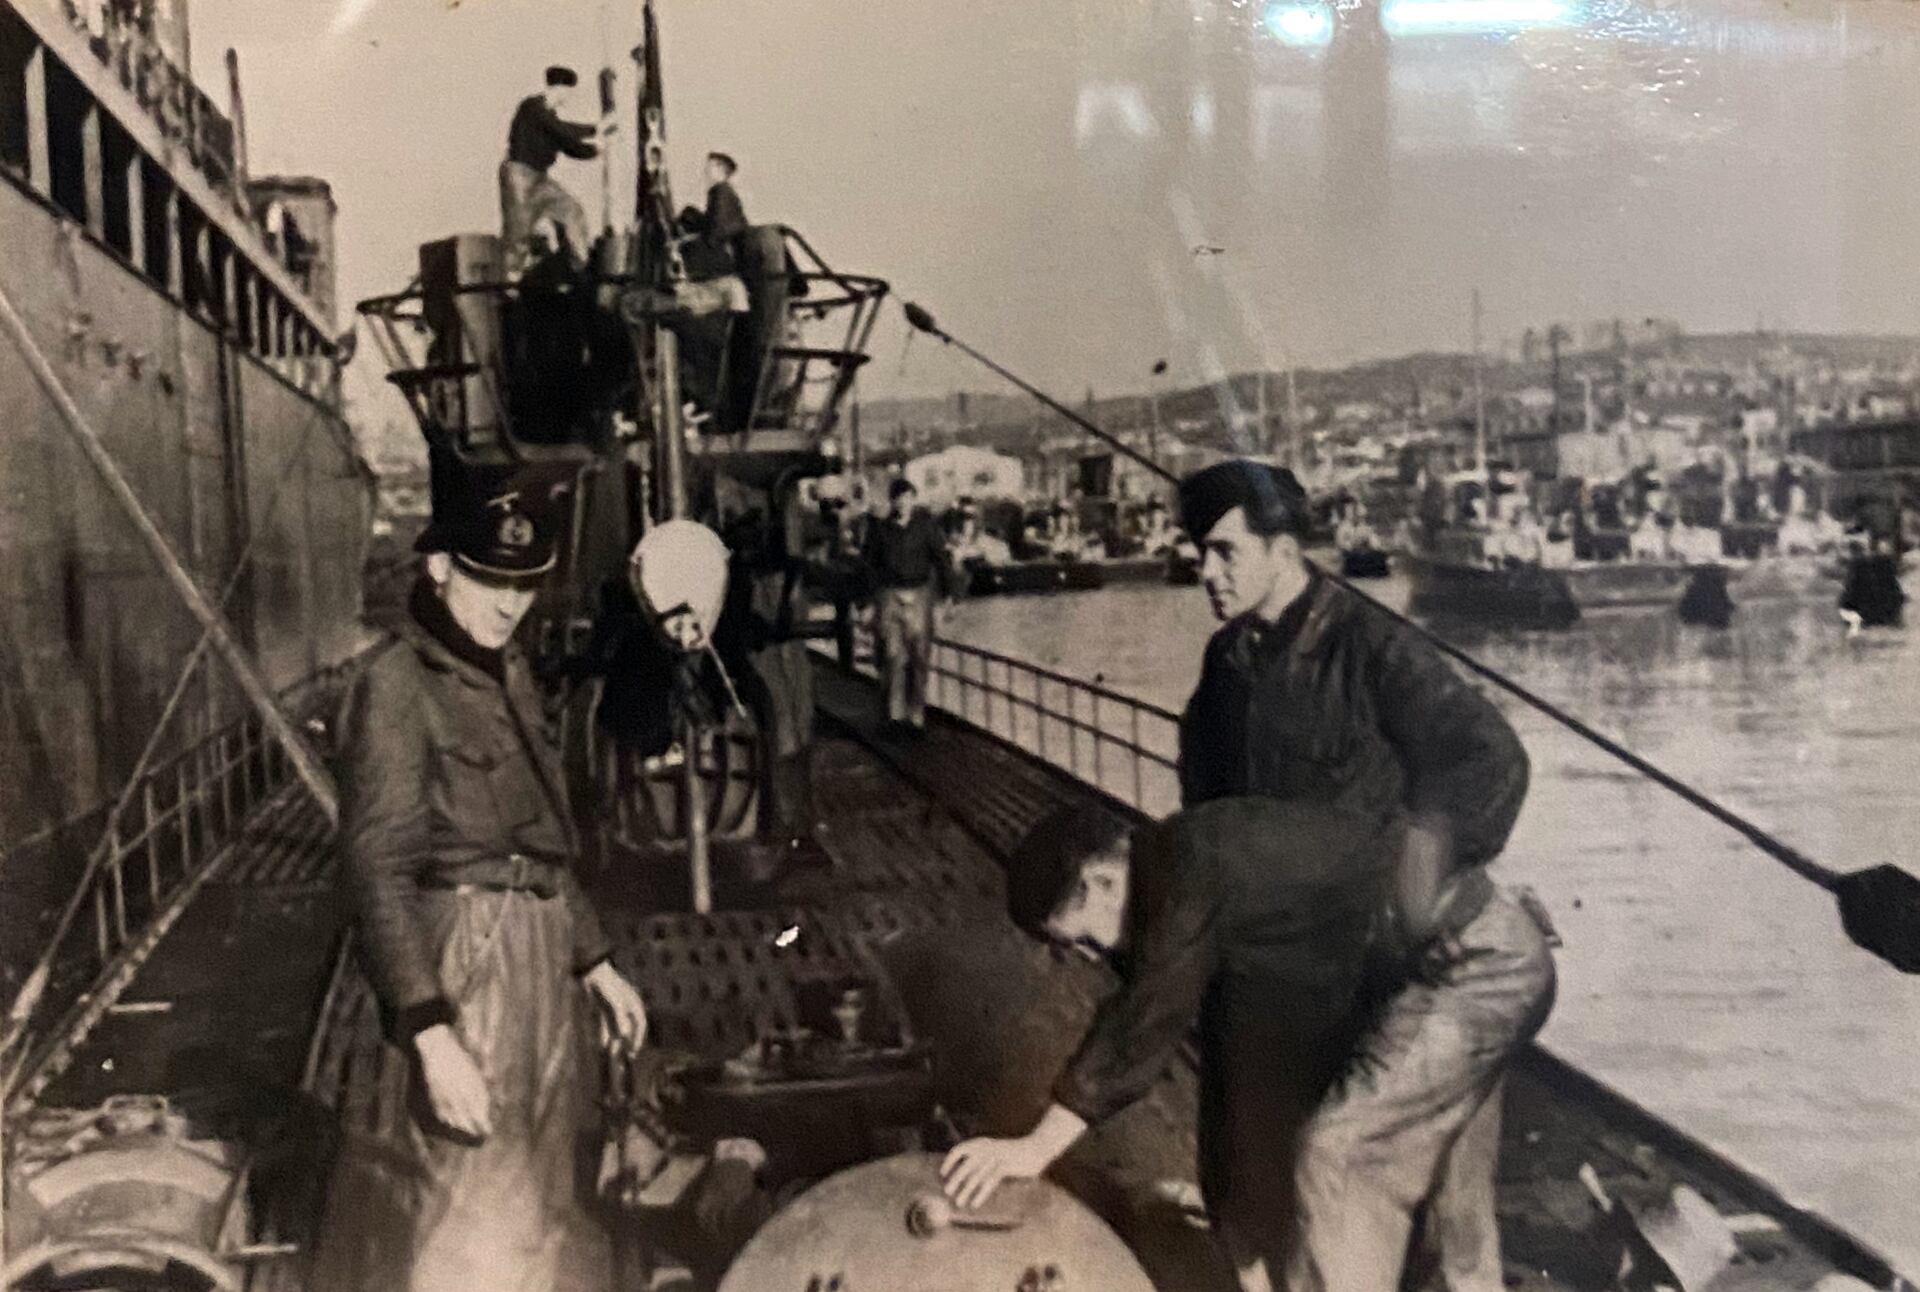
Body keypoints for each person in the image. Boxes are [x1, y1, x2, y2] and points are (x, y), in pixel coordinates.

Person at [1174, 460, 1554, 1291]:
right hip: (1308, 976)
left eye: (1224, 552)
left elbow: (1490, 761)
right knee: (1313, 1185)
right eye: (1197, 554)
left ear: (1283, 548)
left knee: (1453, 1220)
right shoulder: (1225, 667)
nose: (1206, 573)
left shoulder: (1374, 645)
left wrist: (1407, 893)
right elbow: (1209, 816)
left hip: (1414, 972)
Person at [313, 475, 649, 1292]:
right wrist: (430, 1034)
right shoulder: (394, 686)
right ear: (437, 569)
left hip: (538, 965)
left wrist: (595, 961)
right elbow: (377, 872)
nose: (509, 604)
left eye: (525, 585)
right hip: (467, 965)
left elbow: (539, 844)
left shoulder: (506, 673)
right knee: (464, 1212)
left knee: (540, 1203)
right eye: (489, 580)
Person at [941, 798, 1391, 1287]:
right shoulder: (1170, 866)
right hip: (1333, 969)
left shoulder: (1189, 874)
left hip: (1427, 949)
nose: (1095, 960)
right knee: (1246, 1160)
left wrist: (1035, 1147)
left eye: (1089, 941)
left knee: (1328, 1162)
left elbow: (1143, 1022)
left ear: (1101, 881)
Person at [862, 478, 958, 731]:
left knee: (919, 656)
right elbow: (868, 567)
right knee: (892, 657)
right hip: (890, 596)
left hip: (920, 596)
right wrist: (867, 603)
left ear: (913, 499)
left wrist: (949, 597)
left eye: (907, 497)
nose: (902, 503)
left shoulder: (926, 528)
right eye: (898, 498)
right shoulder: (880, 530)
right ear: (892, 501)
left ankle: (916, 714)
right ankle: (893, 715)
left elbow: (942, 561)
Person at [501, 66, 603, 271]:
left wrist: (596, 146)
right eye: (569, 92)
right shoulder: (532, 107)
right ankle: (510, 282)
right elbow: (561, 131)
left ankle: (579, 268)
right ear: (559, 88)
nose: (569, 97)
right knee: (519, 233)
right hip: (519, 176)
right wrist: (596, 135)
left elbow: (568, 144)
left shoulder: (549, 117)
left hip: (540, 178)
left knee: (572, 211)